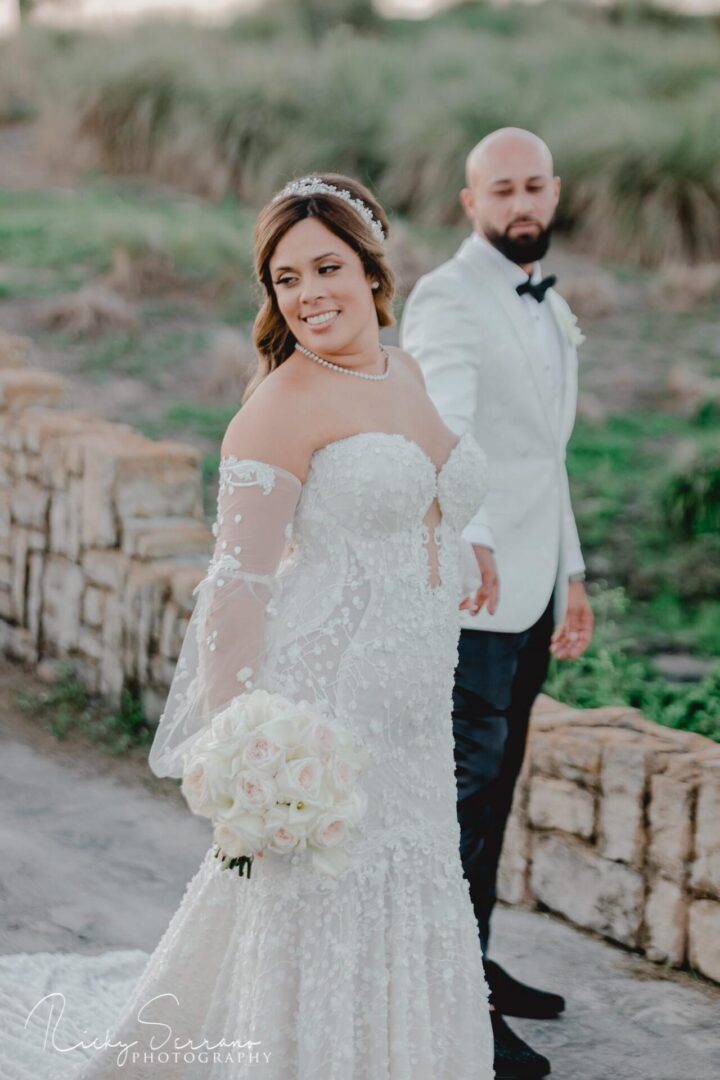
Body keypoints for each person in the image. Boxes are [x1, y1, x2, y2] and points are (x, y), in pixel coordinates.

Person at [60, 174, 494, 1079]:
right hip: (324, 714)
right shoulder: (277, 409)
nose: (307, 295)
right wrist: (241, 748)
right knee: (316, 912)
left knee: (412, 889)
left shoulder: (401, 367)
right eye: (284, 279)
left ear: (372, 272)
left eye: (325, 267)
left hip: (414, 718)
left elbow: (431, 493)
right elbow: (237, 589)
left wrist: (466, 546)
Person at [401, 129, 594, 1080]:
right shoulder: (448, 298)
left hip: (530, 590)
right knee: (463, 802)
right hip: (471, 594)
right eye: (501, 190)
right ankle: (451, 1000)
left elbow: (546, 459)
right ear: (470, 202)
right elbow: (449, 429)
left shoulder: (548, 304)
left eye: (533, 186)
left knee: (497, 788)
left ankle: (469, 960)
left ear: (553, 193)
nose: (521, 203)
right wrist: (470, 535)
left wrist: (575, 571)